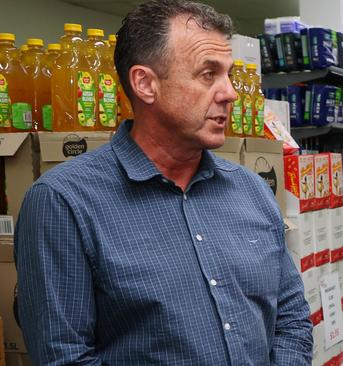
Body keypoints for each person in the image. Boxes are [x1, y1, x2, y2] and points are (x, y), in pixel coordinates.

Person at [14, 1, 312, 364]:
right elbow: (64, 356)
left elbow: (292, 319)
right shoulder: (64, 202)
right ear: (145, 84)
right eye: (208, 74)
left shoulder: (252, 192)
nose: (230, 93)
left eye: (228, 74)